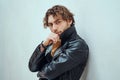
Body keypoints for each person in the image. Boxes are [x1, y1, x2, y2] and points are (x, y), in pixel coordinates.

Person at [28, 5, 89, 80]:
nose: (54, 28)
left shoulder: (78, 45)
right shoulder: (52, 42)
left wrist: (41, 70)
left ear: (69, 20)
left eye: (58, 22)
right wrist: (44, 44)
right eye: (50, 24)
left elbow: (48, 73)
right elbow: (32, 67)